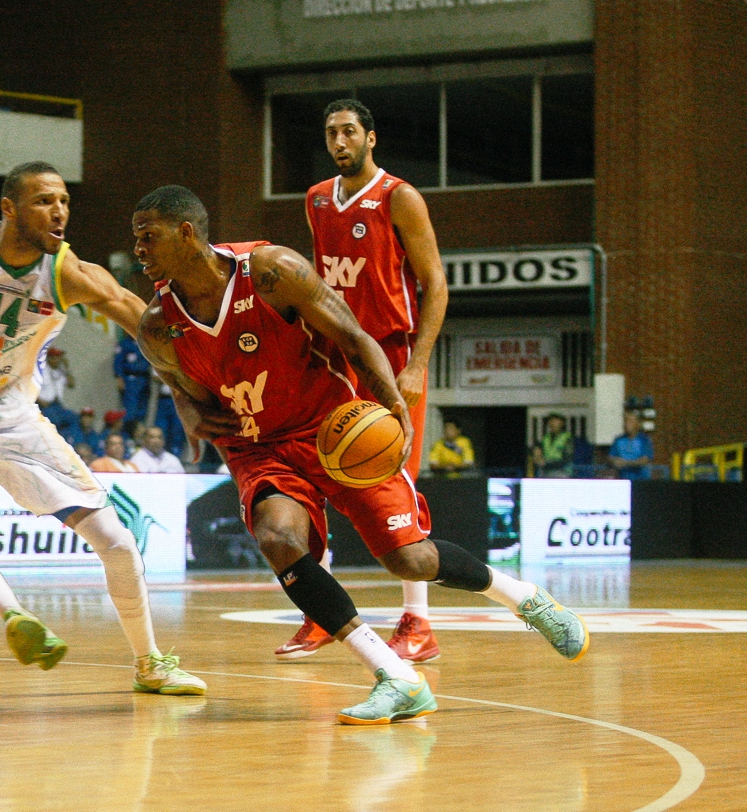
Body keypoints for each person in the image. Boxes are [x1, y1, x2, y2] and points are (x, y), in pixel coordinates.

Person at [132, 185, 587, 723]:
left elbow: (352, 335)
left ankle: (525, 599)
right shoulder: (157, 324)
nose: (138, 248)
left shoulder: (273, 270)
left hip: (333, 428)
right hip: (258, 447)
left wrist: (394, 404)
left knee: (408, 558)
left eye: (148, 236)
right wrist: (186, 408)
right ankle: (394, 675)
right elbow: (179, 383)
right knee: (278, 537)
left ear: (187, 233)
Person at [0, 160, 204, 697]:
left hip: (16, 420)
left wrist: (193, 386)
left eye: (64, 202)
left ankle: (151, 664)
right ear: (8, 208)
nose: (59, 212)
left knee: (119, 542)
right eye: (44, 201)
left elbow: (147, 323)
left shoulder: (69, 273)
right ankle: (14, 616)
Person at [277, 98, 454, 664]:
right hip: (334, 355)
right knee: (316, 472)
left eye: (349, 131)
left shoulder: (399, 197)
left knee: (394, 482)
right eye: (331, 133)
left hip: (392, 354)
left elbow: (436, 285)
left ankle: (419, 622)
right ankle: (321, 616)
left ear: (370, 138)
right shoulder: (316, 199)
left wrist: (418, 364)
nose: (339, 141)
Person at [36, 347, 80, 443]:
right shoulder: (41, 369)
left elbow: (71, 384)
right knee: (55, 421)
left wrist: (67, 368)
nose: (58, 359)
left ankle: (71, 442)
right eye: (55, 357)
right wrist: (39, 401)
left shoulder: (61, 370)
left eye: (59, 357)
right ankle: (55, 443)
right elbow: (31, 388)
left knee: (74, 418)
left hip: (58, 406)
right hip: (44, 406)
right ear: (49, 358)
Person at [114, 333, 151, 423]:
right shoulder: (124, 344)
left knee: (142, 408)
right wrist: (119, 377)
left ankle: (139, 431)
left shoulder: (145, 344)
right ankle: (127, 431)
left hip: (144, 379)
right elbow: (117, 362)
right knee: (130, 408)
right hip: (130, 379)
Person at [609, 411, 653, 480]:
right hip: (623, 479)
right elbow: (611, 457)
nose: (627, 424)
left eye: (630, 421)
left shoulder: (644, 440)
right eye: (625, 421)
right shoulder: (618, 440)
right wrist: (614, 461)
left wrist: (626, 463)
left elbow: (645, 460)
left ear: (638, 424)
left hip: (641, 480)